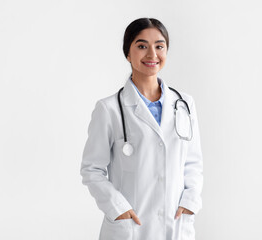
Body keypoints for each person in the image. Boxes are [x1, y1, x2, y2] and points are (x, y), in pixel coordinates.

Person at [80, 17, 203, 240]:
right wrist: (118, 209)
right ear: (128, 53)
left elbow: (193, 163)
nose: (152, 54)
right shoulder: (109, 109)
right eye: (142, 46)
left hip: (175, 224)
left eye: (159, 46)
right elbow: (91, 169)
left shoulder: (184, 104)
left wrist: (190, 202)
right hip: (131, 227)